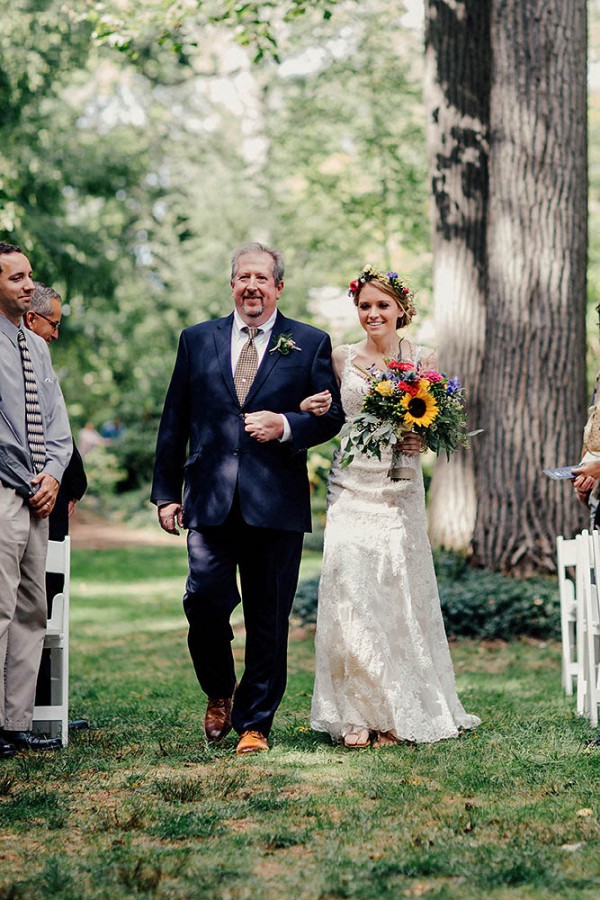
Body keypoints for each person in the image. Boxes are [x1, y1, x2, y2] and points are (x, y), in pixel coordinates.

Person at [151, 242, 344, 755]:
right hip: (209, 499)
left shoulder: (309, 342)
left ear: (279, 286)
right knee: (202, 601)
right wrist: (167, 493)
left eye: (262, 277)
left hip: (274, 502)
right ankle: (220, 691)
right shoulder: (197, 340)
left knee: (268, 616)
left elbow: (330, 416)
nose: (251, 286)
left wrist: (285, 424)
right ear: (232, 285)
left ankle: (255, 723)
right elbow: (175, 420)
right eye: (243, 277)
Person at [310, 267, 480, 748]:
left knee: (396, 590)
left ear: (401, 309)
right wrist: (312, 407)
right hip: (349, 485)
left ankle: (397, 706)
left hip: (398, 486)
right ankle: (355, 713)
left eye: (382, 305)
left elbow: (437, 420)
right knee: (350, 590)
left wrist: (421, 434)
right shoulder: (341, 357)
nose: (372, 314)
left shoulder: (424, 358)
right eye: (365, 306)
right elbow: (328, 411)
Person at [0, 243, 72, 757]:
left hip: (38, 497)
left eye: (29, 277)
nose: (28, 286)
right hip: (5, 492)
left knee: (31, 608)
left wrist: (51, 474)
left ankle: (14, 721)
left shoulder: (38, 347)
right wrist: (27, 477)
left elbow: (57, 425)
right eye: (16, 278)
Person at [24, 282, 88, 711]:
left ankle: (44, 704)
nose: (56, 333)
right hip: (36, 497)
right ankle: (29, 705)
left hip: (55, 492)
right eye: (54, 323)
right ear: (33, 318)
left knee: (48, 598)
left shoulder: (40, 357)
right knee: (35, 600)